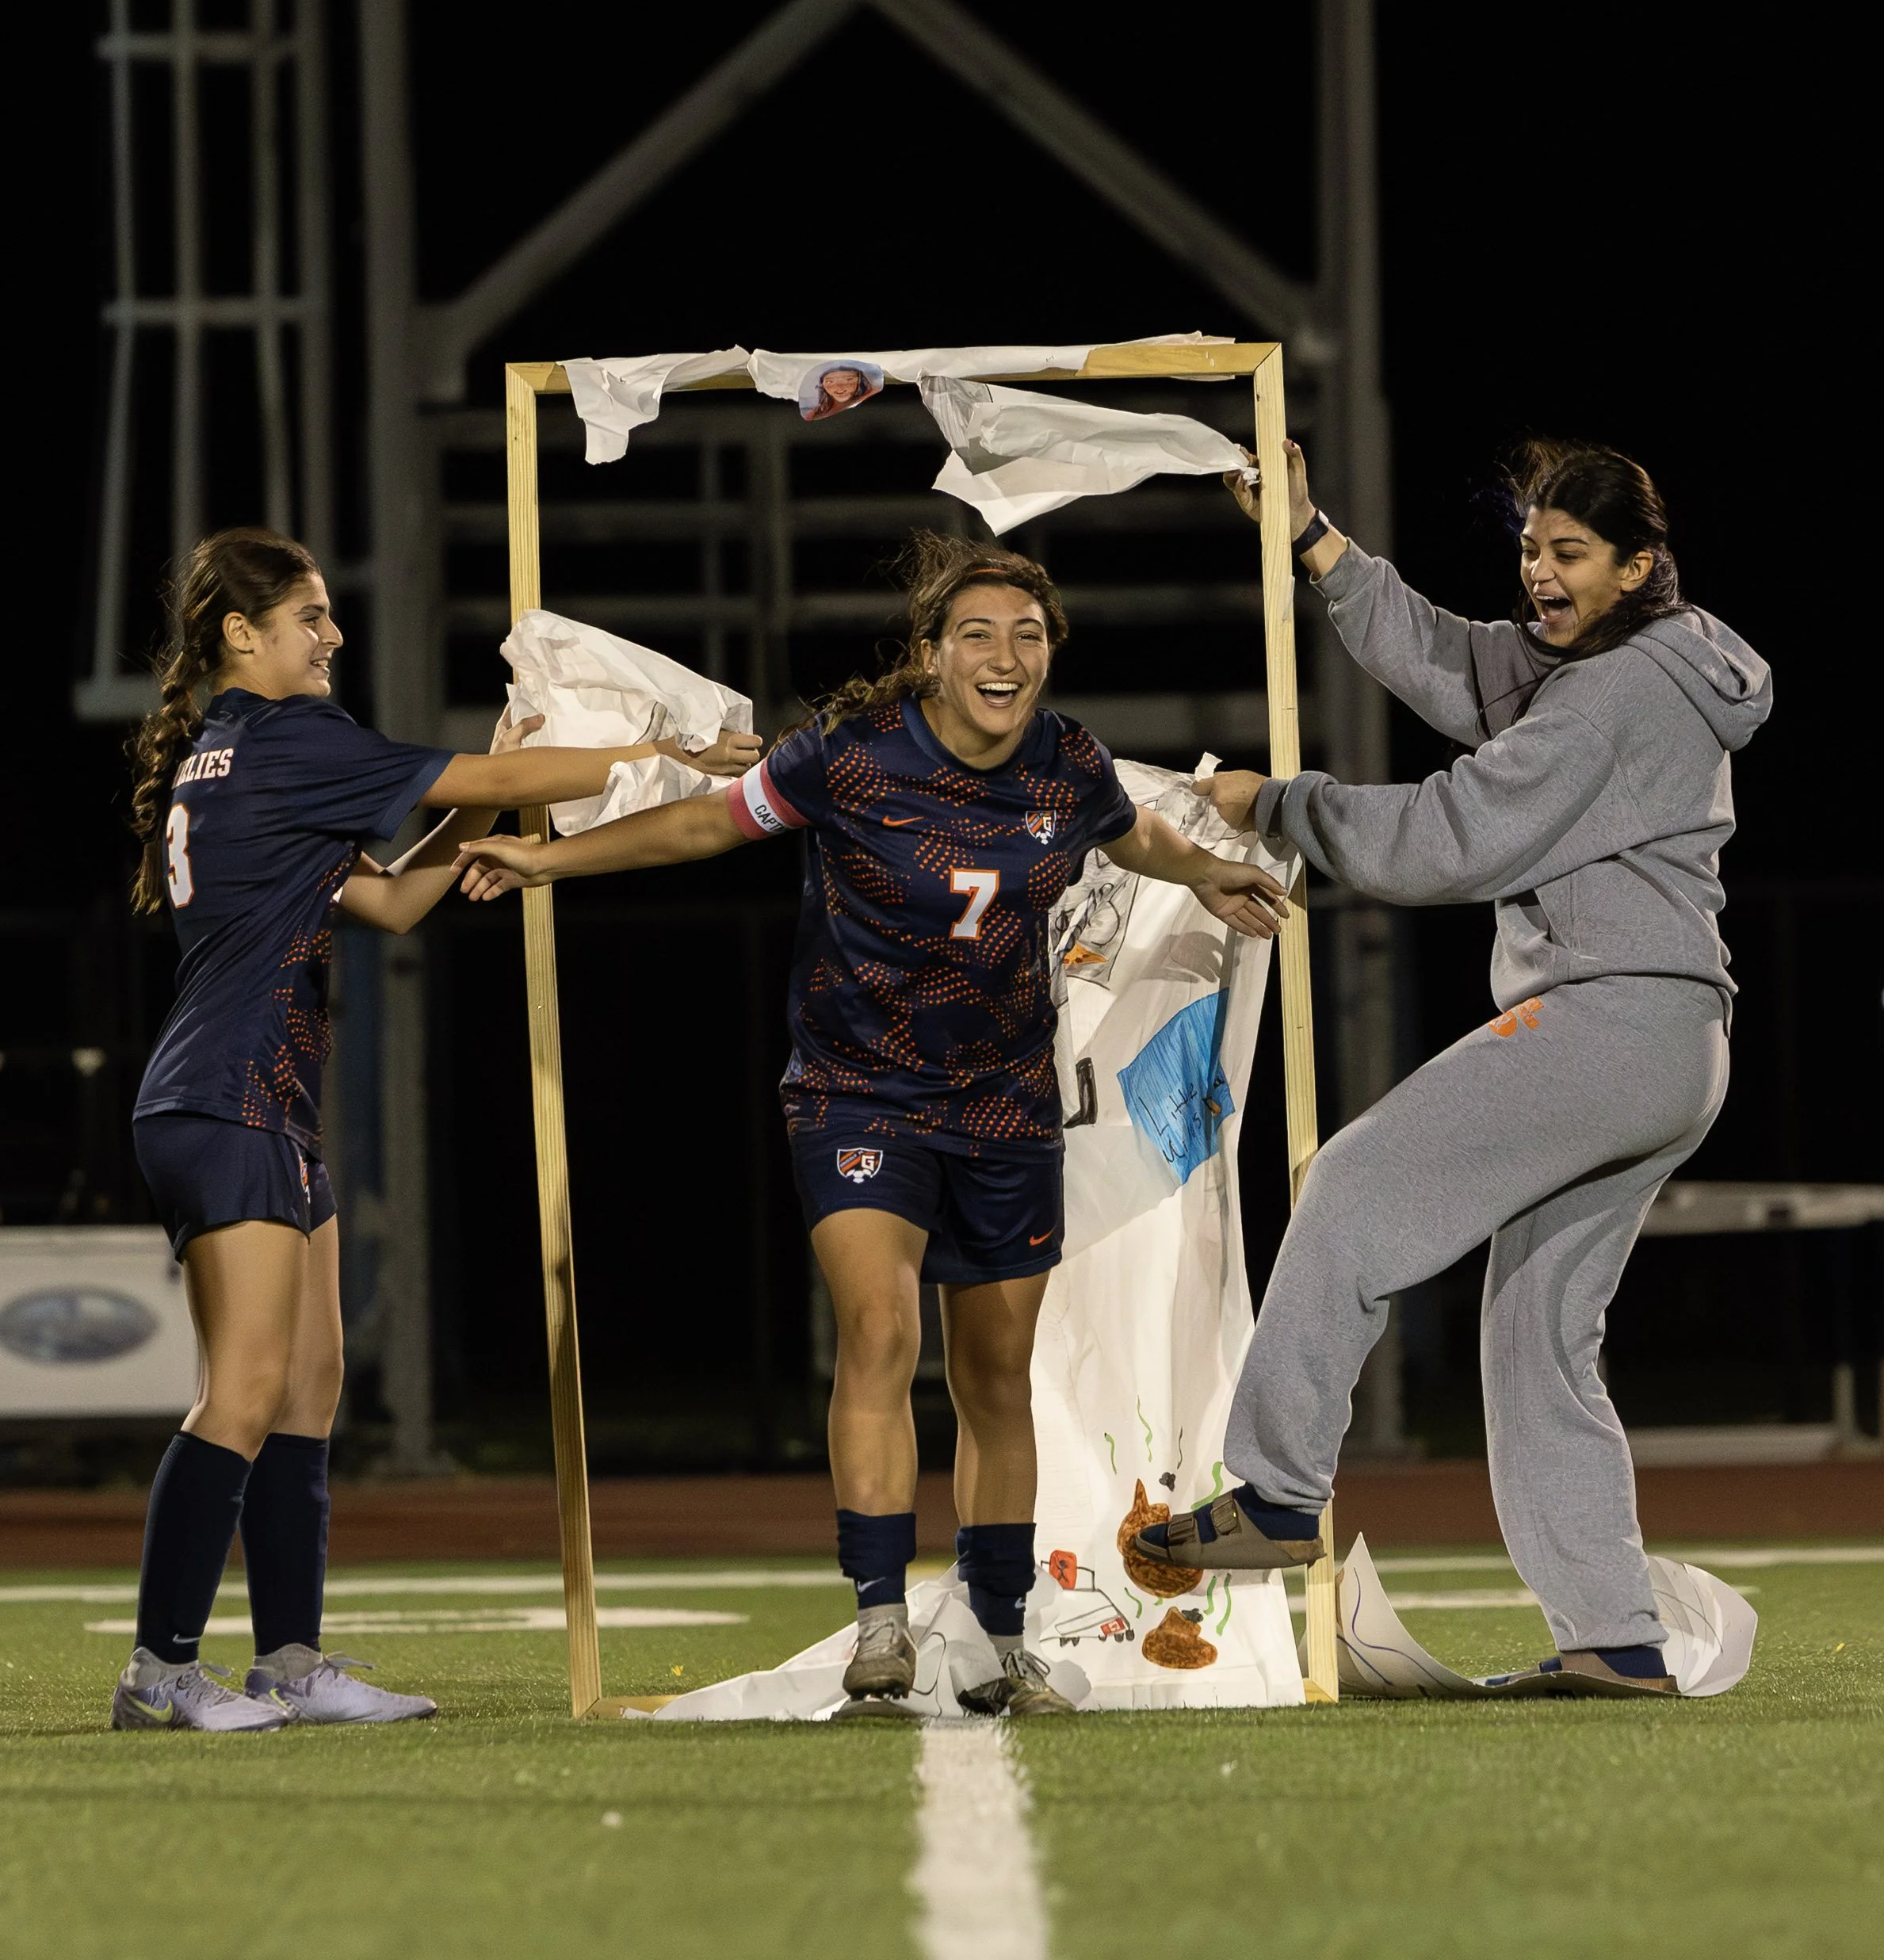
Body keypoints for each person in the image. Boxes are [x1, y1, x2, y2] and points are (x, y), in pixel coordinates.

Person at [455, 532, 1285, 1717]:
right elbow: (704, 827)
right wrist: (556, 867)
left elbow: (1127, 834)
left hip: (1005, 1106)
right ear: (933, 656)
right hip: (857, 1092)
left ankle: (997, 1637)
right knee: (879, 1332)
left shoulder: (1069, 763)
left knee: (997, 1379)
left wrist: (1199, 867)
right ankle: (881, 1620)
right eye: (979, 636)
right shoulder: (846, 758)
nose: (1006, 658)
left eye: (1028, 636)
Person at [1131, 437, 1771, 1699]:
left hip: (1609, 1022)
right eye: (1529, 547)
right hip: (1671, 1039)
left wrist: (1278, 806)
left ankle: (1272, 1492)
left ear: (1638, 566)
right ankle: (1612, 1637)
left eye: (1567, 554)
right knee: (1538, 1336)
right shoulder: (1606, 664)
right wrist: (1315, 541)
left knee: (1355, 1184)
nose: (1537, 573)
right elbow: (1454, 659)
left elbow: (1444, 840)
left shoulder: (1610, 698)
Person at [114, 526, 759, 1733]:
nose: (333, 636)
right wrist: (656, 751)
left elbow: (397, 903)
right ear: (240, 637)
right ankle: (159, 1670)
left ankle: (292, 1663)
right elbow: (486, 783)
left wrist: (477, 821)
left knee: (308, 1387)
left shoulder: (237, 751)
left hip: (255, 1101)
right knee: (245, 1390)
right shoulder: (289, 734)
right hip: (227, 1095)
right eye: (310, 617)